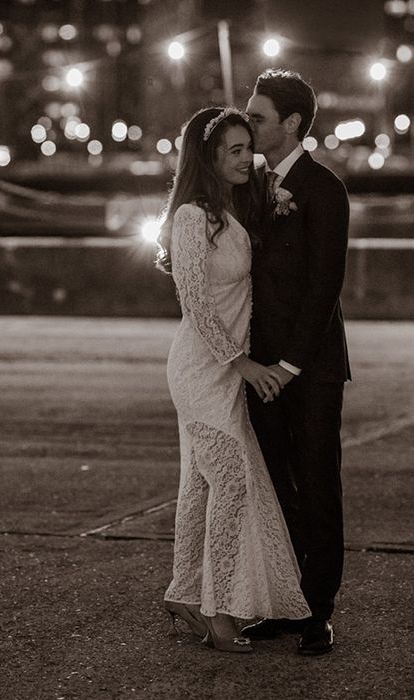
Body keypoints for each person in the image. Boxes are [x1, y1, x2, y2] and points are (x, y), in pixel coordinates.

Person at [156, 106, 310, 654]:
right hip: (202, 367)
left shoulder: (233, 206)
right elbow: (195, 302)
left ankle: (183, 590)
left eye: (250, 147)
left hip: (225, 369)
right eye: (236, 151)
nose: (249, 158)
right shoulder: (193, 217)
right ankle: (218, 608)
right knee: (231, 480)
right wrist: (242, 364)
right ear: (209, 157)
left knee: (199, 484)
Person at [241, 69, 351, 656]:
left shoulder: (324, 188)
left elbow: (324, 287)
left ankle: (318, 612)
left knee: (317, 484)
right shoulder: (249, 184)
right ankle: (284, 602)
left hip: (311, 369)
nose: (248, 123)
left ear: (290, 124)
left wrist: (289, 365)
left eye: (258, 117)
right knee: (273, 487)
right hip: (258, 368)